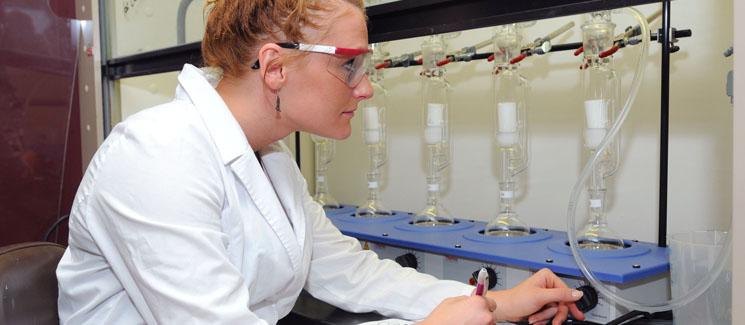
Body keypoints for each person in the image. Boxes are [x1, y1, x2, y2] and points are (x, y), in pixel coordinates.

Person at [56, 0, 586, 324]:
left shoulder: (274, 162)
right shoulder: (157, 157)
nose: (367, 87)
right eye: (350, 66)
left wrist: (495, 304)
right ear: (274, 67)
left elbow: (353, 275)